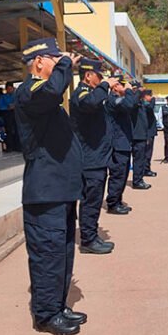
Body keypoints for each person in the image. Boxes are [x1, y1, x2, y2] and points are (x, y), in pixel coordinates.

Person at [14, 38, 86, 335]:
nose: (61, 65)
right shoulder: (29, 92)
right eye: (55, 60)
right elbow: (55, 90)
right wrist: (67, 64)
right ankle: (45, 315)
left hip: (60, 190)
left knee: (63, 252)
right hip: (46, 192)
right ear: (39, 62)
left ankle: (57, 305)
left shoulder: (44, 98)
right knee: (48, 253)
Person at [71, 58, 117, 254]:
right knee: (91, 199)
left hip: (97, 157)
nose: (101, 79)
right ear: (88, 75)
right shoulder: (82, 94)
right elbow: (90, 103)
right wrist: (106, 85)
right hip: (90, 158)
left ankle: (92, 234)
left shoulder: (93, 93)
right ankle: (88, 240)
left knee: (95, 199)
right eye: (99, 76)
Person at [105, 75, 137, 215]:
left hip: (123, 142)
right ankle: (113, 203)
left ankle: (117, 200)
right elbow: (129, 104)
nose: (124, 87)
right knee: (118, 174)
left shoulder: (119, 99)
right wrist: (129, 91)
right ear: (115, 86)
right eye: (121, 85)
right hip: (118, 143)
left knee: (123, 174)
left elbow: (132, 104)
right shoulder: (113, 99)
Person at [131, 86, 151, 190]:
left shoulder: (140, 102)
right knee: (138, 160)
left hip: (142, 135)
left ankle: (139, 179)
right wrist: (137, 92)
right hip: (137, 136)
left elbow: (150, 106)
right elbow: (133, 102)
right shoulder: (133, 103)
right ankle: (137, 181)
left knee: (141, 159)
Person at [0, 82, 20, 152]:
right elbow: (0, 106)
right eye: (8, 89)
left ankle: (18, 147)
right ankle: (10, 147)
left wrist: (15, 106)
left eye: (11, 88)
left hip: (16, 114)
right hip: (7, 114)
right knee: (9, 130)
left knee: (17, 130)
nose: (9, 90)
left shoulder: (17, 96)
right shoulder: (3, 96)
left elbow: (22, 103)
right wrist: (7, 107)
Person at [143, 89, 158, 178]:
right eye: (150, 95)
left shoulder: (146, 104)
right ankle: (145, 170)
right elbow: (151, 107)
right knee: (147, 153)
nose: (151, 97)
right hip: (147, 133)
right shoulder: (145, 105)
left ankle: (147, 169)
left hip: (150, 132)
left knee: (149, 152)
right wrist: (153, 100)